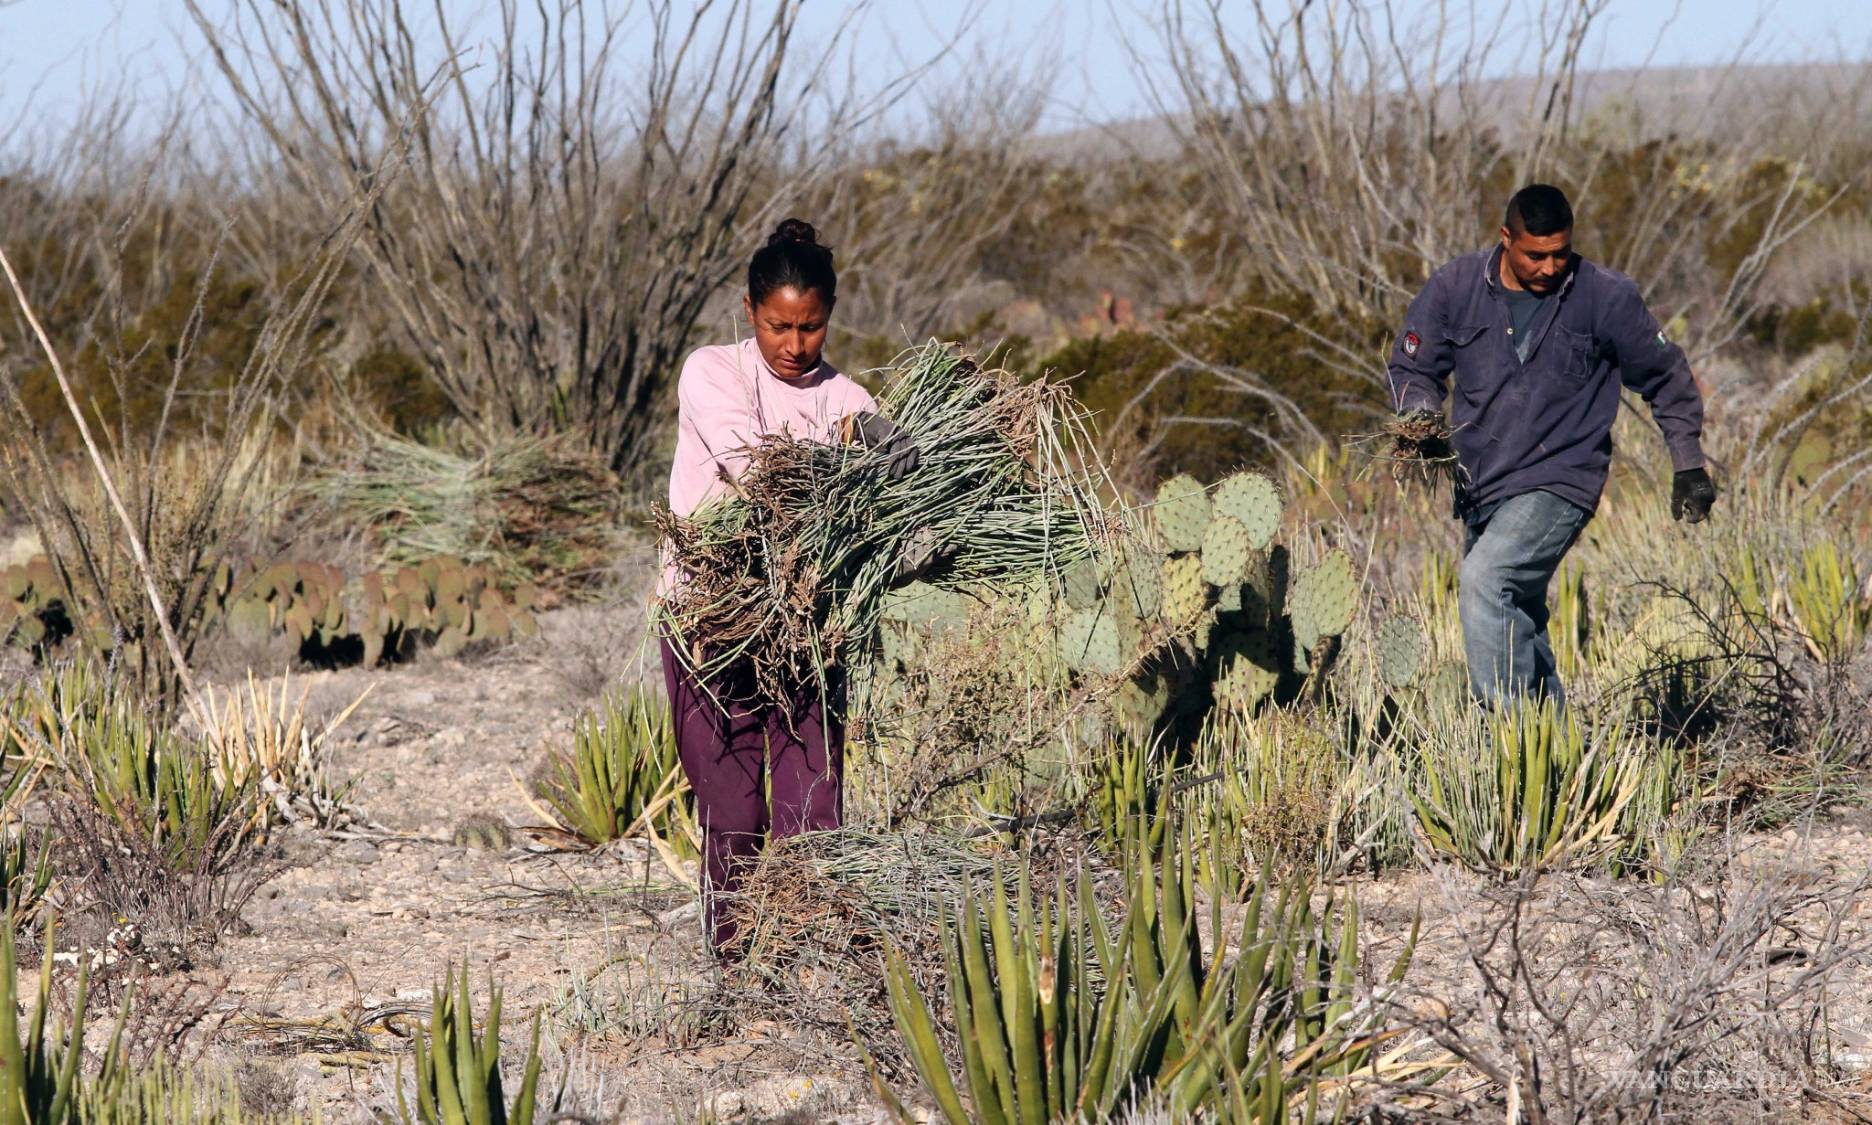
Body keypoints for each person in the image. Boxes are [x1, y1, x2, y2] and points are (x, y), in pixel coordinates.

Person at [659, 218, 917, 956]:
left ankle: (813, 966)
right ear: (749, 312)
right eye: (778, 325)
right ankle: (736, 967)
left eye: (811, 326)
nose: (794, 345)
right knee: (734, 814)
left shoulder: (853, 398)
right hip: (711, 622)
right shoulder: (712, 371)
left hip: (811, 630)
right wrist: (848, 443)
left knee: (815, 811)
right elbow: (755, 464)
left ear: (831, 315)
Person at [1386, 184, 1717, 707]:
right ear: (1505, 239)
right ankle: (1556, 757)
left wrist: (1688, 462)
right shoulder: (1454, 286)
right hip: (1480, 484)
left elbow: (1666, 375)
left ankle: (1511, 746)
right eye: (1535, 254)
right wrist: (1419, 417)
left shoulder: (1605, 296)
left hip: (1562, 478)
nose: (1550, 266)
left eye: (1561, 252)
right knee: (1516, 618)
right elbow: (1413, 366)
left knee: (1485, 581)